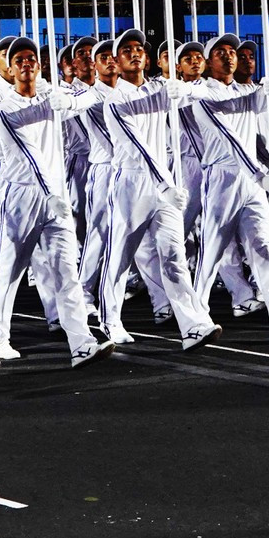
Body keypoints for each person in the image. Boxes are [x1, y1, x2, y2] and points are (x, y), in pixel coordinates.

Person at [0, 36, 110, 368]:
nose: (26, 63)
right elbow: (30, 157)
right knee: (10, 270)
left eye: (31, 58)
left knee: (66, 272)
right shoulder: (2, 108)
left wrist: (69, 99)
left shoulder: (51, 97)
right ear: (7, 66)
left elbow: (91, 94)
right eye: (18, 59)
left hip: (55, 200)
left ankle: (81, 341)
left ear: (39, 64)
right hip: (21, 196)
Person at [97, 28, 222, 350]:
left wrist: (188, 88)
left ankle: (193, 323)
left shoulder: (160, 88)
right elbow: (139, 147)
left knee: (173, 255)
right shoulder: (115, 100)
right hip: (131, 183)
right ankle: (110, 321)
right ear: (116, 60)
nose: (135, 53)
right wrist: (166, 183)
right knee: (120, 258)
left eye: (140, 49)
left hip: (163, 184)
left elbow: (199, 93)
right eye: (127, 50)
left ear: (148, 58)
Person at [182, 33, 269, 342]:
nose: (229, 57)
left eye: (233, 52)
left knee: (263, 249)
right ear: (210, 62)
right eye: (221, 53)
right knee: (211, 254)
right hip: (222, 178)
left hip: (252, 183)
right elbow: (231, 140)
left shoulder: (247, 91)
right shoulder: (203, 94)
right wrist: (261, 172)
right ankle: (195, 320)